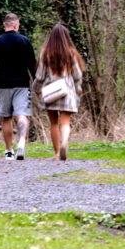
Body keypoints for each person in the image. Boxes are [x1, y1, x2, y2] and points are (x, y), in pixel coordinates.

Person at [0, 13, 36, 160]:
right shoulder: (24, 41)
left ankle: (9, 151)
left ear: (5, 25)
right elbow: (32, 64)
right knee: (22, 115)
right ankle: (21, 142)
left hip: (2, 85)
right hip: (21, 84)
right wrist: (36, 81)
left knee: (6, 118)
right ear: (16, 25)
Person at [34, 24, 84, 161]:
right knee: (65, 122)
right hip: (66, 91)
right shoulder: (71, 53)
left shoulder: (45, 53)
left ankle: (57, 153)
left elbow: (40, 76)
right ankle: (64, 143)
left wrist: (37, 89)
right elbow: (77, 75)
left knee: (54, 123)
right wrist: (78, 90)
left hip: (50, 92)